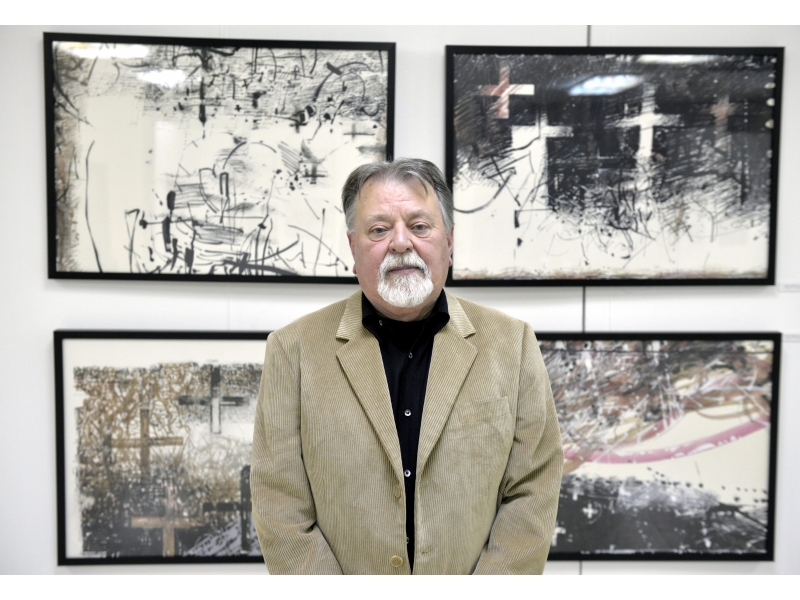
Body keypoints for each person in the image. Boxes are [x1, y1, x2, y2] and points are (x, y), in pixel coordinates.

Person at [251, 158, 563, 574]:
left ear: (449, 241)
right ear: (353, 248)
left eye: (419, 226)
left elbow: (533, 488)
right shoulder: (292, 351)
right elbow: (279, 502)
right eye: (379, 230)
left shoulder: (513, 344)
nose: (400, 243)